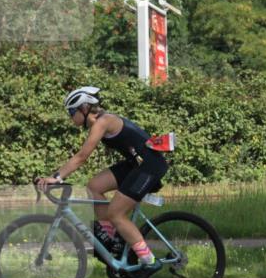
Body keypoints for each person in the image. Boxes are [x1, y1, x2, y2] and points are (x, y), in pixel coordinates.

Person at [35, 87, 168, 267]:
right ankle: (111, 238)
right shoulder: (100, 122)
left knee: (116, 213)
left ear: (84, 108)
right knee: (94, 186)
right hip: (137, 164)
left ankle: (148, 261)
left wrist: (56, 177)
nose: (70, 117)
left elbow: (82, 157)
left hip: (149, 165)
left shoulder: (103, 122)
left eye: (71, 112)